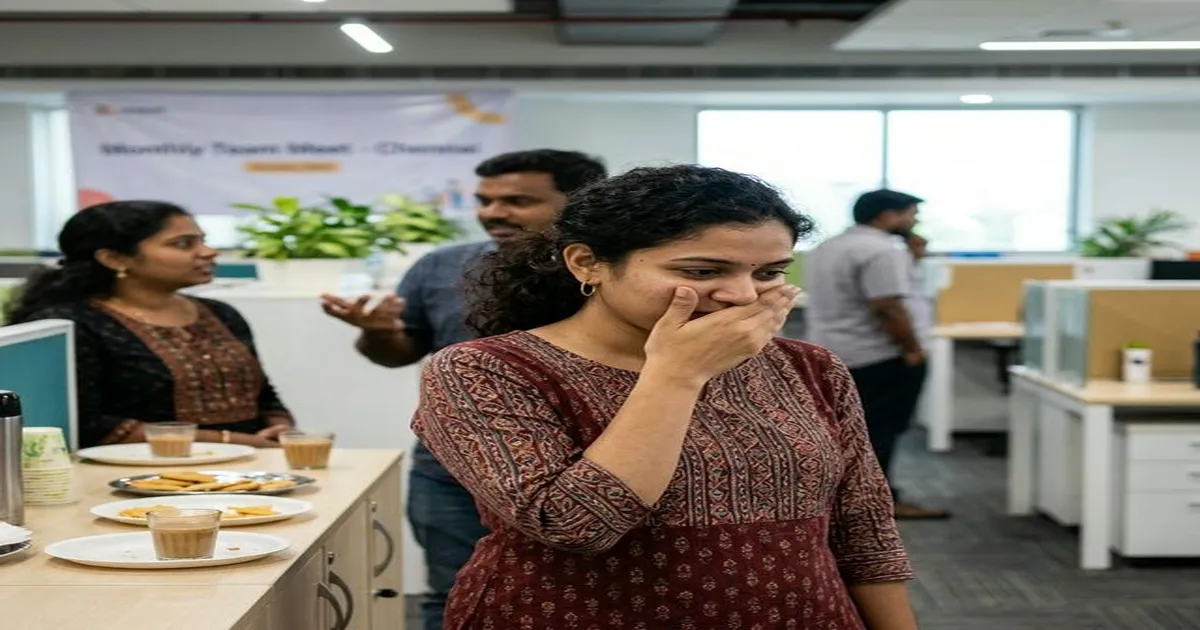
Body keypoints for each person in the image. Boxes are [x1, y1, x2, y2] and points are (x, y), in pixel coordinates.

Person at [413, 165, 918, 630]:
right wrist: (676, 374)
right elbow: (576, 525)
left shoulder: (809, 367)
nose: (742, 295)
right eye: (701, 272)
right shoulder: (484, 369)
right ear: (587, 263)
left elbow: (864, 530)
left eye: (768, 273)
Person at [320, 149, 608, 630]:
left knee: (587, 600)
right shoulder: (440, 266)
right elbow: (397, 353)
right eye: (485, 200)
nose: (494, 213)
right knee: (456, 594)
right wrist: (375, 330)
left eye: (517, 200)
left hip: (589, 466)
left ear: (581, 202)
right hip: (452, 470)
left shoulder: (613, 276)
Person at [4, 201, 294, 449]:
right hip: (140, 479)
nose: (208, 252)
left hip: (253, 467)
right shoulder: (74, 323)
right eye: (183, 244)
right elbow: (89, 423)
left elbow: (263, 393)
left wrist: (279, 426)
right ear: (114, 258)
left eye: (202, 240)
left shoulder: (220, 313)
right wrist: (226, 441)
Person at [804, 189, 949, 520]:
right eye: (911, 214)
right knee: (879, 431)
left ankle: (846, 501)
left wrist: (912, 256)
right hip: (877, 355)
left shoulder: (830, 246)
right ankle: (878, 505)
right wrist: (912, 349)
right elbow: (887, 306)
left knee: (848, 430)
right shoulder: (881, 250)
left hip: (836, 352)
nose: (915, 221)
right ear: (887, 215)